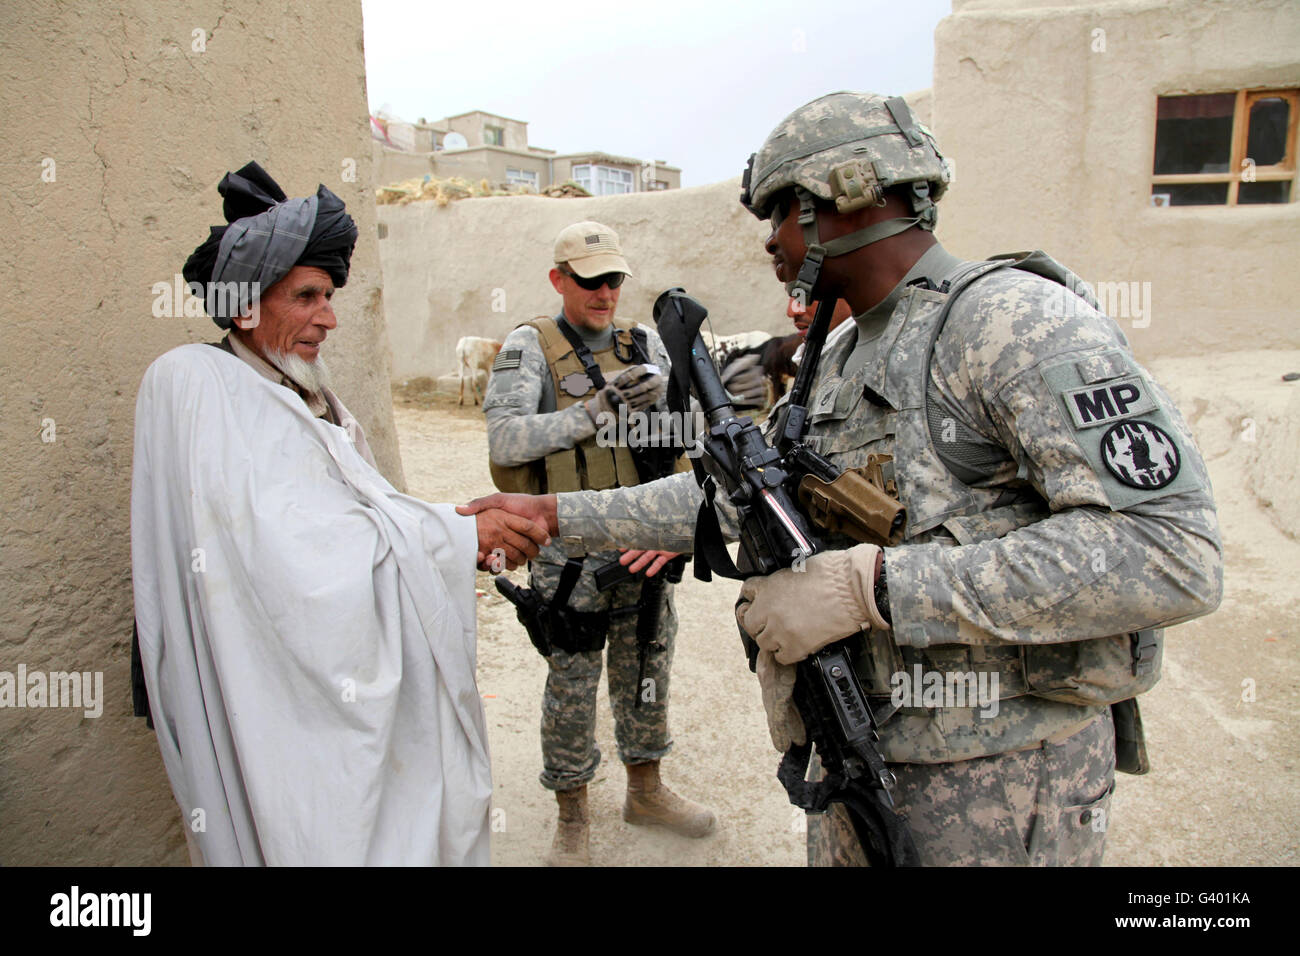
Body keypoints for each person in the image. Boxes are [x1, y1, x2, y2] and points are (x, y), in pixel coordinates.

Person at [460, 93, 1223, 866]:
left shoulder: (1012, 323)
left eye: (780, 215)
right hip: (860, 763)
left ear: (846, 199)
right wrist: (555, 513)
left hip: (1004, 785)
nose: (770, 242)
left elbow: (1170, 552)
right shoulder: (846, 349)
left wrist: (875, 588)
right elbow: (738, 494)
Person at [131, 162, 549, 866]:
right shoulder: (193, 383)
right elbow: (279, 562)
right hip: (268, 694)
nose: (328, 316)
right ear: (242, 304)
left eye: (328, 295)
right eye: (307, 296)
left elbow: (359, 517)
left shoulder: (309, 397)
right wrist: (451, 538)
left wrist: (456, 530)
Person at [480, 220, 716, 865]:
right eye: (590, 281)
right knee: (572, 680)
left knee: (646, 666)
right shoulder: (531, 344)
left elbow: (688, 436)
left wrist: (675, 526)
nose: (605, 292)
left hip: (639, 542)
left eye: (614, 279)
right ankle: (573, 811)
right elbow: (504, 442)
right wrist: (593, 412)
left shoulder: (642, 342)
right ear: (559, 280)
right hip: (567, 553)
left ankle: (646, 789)